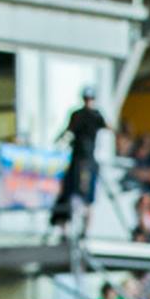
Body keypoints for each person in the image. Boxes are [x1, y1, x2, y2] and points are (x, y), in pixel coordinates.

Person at [51, 87, 107, 229]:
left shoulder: (95, 115)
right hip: (78, 160)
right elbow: (68, 130)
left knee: (85, 198)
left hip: (87, 161)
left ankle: (83, 232)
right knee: (71, 195)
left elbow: (109, 128)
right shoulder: (79, 115)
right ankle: (68, 229)